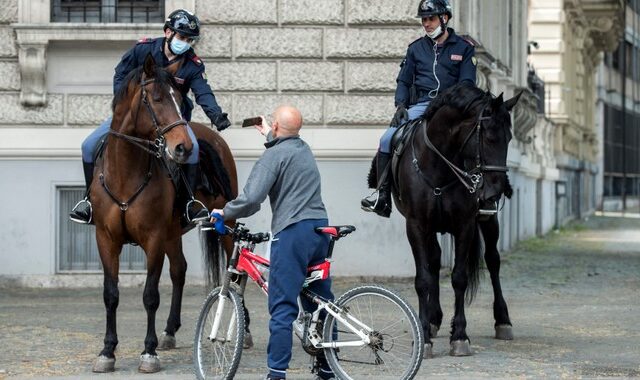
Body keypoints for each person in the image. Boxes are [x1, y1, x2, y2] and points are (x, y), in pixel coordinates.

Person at [69, 9, 231, 225]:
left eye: (190, 40)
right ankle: (89, 201)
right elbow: (121, 73)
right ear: (167, 32)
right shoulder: (143, 50)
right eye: (182, 37)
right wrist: (123, 106)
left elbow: (203, 92)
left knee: (193, 151)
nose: (185, 43)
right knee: (88, 146)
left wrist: (216, 115)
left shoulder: (192, 64)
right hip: (134, 115)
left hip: (171, 121)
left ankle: (189, 203)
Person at [210, 106, 335, 380]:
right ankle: (329, 369)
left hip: (292, 234)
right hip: (320, 231)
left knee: (283, 307)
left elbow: (252, 200)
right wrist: (271, 134)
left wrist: (225, 212)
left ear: (277, 126)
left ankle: (276, 374)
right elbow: (284, 149)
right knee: (321, 303)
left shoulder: (273, 155)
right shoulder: (303, 149)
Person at [360, 0, 477, 217]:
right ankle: (382, 195)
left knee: (479, 138)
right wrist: (401, 105)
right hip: (421, 105)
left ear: (445, 18)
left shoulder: (464, 48)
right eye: (424, 20)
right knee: (387, 139)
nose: (427, 24)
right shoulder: (415, 49)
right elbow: (403, 81)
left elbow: (468, 84)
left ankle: (482, 194)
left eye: (431, 19)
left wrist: (453, 105)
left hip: (451, 108)